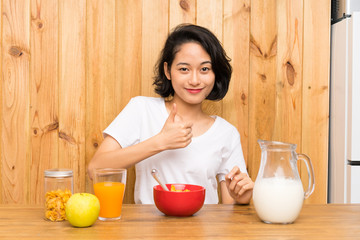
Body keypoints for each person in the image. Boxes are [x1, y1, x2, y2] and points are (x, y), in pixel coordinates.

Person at [88, 24, 254, 204]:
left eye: (204, 69)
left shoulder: (226, 133)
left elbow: (228, 210)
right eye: (184, 69)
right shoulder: (141, 109)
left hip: (205, 232)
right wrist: (160, 142)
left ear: (215, 73)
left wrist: (241, 198)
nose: (195, 80)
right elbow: (95, 168)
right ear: (168, 70)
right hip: (148, 231)